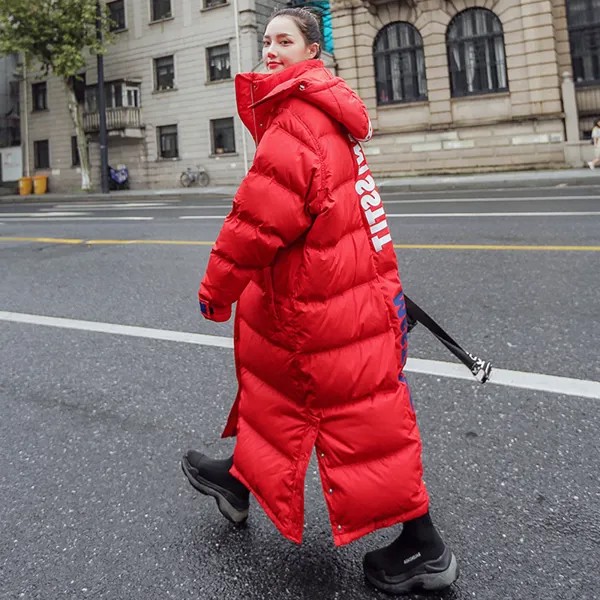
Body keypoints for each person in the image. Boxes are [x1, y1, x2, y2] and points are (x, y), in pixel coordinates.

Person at [181, 7, 459, 595]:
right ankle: (237, 480)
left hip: (324, 310)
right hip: (324, 297)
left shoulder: (297, 123)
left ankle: (425, 546)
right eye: (266, 41)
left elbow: (255, 224)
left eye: (285, 40)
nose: (271, 50)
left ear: (315, 52)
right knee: (272, 393)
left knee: (365, 423)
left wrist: (215, 292)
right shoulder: (328, 112)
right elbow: (358, 215)